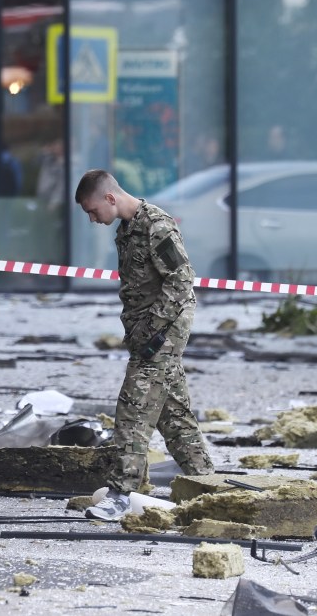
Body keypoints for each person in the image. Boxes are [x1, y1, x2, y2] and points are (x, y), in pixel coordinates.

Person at [74, 169, 215, 520]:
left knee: (133, 407)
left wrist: (152, 330)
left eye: (93, 211)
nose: (93, 220)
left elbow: (181, 282)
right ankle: (206, 481)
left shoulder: (156, 225)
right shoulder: (126, 229)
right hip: (145, 332)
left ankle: (122, 493)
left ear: (110, 198)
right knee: (172, 411)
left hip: (163, 330)